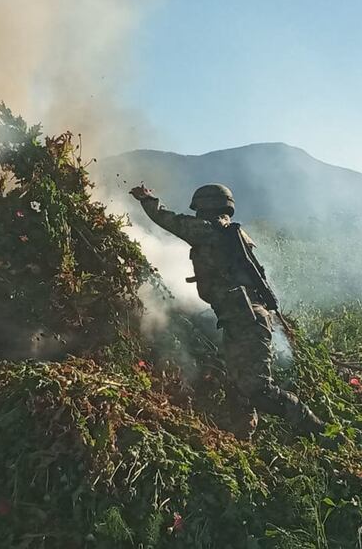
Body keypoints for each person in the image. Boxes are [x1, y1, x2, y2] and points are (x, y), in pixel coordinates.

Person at [129, 183, 326, 437]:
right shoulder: (235, 234)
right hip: (241, 317)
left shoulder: (208, 230)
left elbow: (169, 220)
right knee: (237, 384)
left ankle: (317, 429)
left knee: (258, 390)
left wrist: (147, 199)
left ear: (206, 206)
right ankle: (243, 438)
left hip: (245, 319)